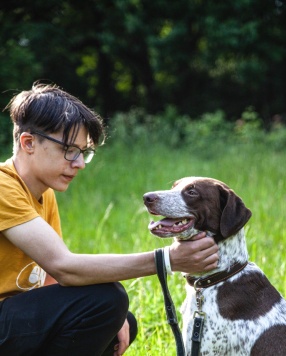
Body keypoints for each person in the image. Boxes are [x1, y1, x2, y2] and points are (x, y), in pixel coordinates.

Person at [0, 82, 219, 356]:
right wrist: (167, 260)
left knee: (121, 320)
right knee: (107, 300)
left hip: (13, 320)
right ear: (29, 142)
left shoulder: (43, 193)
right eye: (69, 149)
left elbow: (50, 278)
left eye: (84, 152)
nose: (79, 163)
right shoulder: (3, 187)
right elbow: (64, 266)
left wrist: (114, 316)